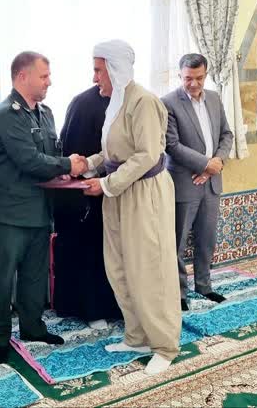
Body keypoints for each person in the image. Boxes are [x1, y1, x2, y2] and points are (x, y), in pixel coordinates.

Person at [83, 39, 181, 376]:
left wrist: (105, 184)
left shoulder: (144, 102)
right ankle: (137, 336)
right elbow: (114, 153)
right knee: (121, 266)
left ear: (115, 68)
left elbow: (147, 155)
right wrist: (88, 165)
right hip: (119, 194)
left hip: (144, 194)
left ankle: (164, 346)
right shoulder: (116, 104)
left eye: (98, 70)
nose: (95, 77)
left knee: (150, 269)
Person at [0, 51, 88, 364]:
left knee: (34, 276)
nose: (49, 82)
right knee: (2, 279)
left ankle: (32, 327)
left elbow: (49, 158)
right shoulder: (6, 114)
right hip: (9, 214)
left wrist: (63, 170)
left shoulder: (46, 113)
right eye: (43, 76)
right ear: (22, 76)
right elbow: (28, 160)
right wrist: (67, 164)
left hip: (39, 211)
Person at [162, 53, 233, 311]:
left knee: (207, 238)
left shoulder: (214, 98)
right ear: (180, 75)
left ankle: (204, 286)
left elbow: (227, 135)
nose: (193, 83)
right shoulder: (168, 103)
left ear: (206, 74)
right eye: (188, 78)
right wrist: (205, 164)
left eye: (199, 78)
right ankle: (178, 293)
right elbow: (171, 145)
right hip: (184, 182)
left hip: (211, 183)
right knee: (177, 242)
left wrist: (216, 164)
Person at [53, 86, 122, 328]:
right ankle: (92, 309)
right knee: (89, 252)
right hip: (87, 196)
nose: (96, 78)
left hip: (117, 191)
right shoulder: (84, 104)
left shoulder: (132, 101)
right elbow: (77, 155)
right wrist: (91, 175)